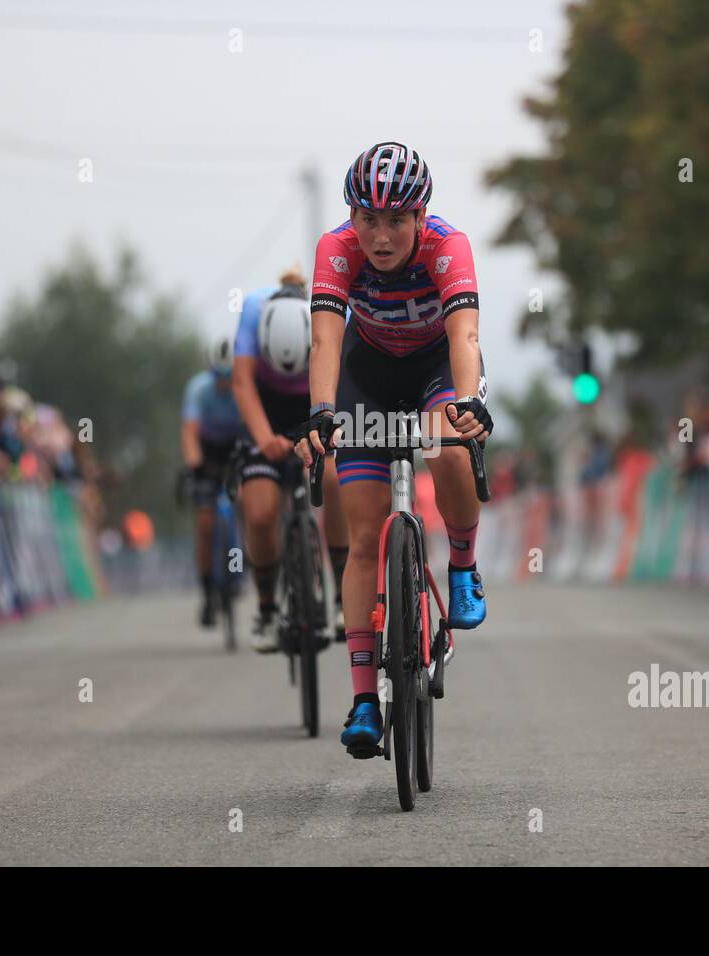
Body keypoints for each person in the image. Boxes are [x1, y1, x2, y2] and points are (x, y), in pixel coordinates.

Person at [294, 141, 493, 756]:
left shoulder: (447, 246)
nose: (381, 237)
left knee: (448, 445)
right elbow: (326, 343)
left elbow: (464, 332)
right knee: (362, 535)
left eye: (397, 221)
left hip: (437, 366)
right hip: (368, 374)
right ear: (351, 217)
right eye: (368, 220)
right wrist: (322, 416)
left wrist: (467, 403)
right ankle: (361, 702)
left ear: (420, 214)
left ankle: (461, 564)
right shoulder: (336, 250)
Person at [232, 272, 348, 652]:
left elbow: (345, 382)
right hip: (265, 408)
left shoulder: (334, 313)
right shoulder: (252, 310)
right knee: (261, 511)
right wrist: (265, 440)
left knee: (333, 481)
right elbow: (243, 384)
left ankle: (342, 596)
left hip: (315, 401)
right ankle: (266, 608)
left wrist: (321, 440)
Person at [180, 334, 244, 627]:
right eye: (219, 376)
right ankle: (208, 594)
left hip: (235, 449)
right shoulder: (198, 389)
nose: (224, 382)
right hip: (207, 453)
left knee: (250, 502)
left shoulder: (244, 386)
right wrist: (195, 464)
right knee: (205, 526)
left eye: (229, 376)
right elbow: (190, 432)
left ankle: (245, 561)